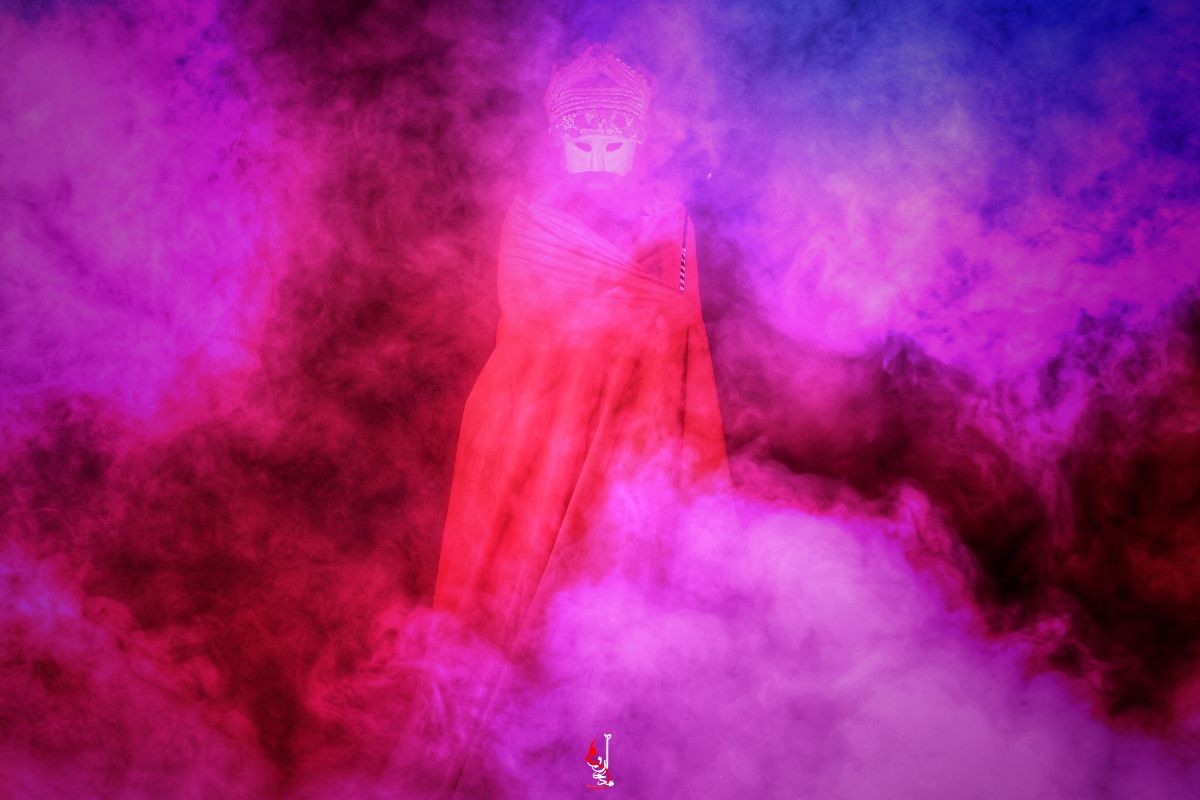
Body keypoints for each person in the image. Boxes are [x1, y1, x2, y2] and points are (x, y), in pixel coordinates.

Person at [421, 45, 730, 796]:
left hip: (632, 440)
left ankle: (601, 776)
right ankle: (503, 774)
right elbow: (539, 313)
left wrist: (642, 285)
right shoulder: (531, 221)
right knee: (515, 612)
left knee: (611, 620)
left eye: (612, 144)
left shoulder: (668, 222)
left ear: (636, 143)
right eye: (583, 143)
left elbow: (678, 322)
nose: (597, 158)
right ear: (560, 142)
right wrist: (628, 296)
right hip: (529, 439)